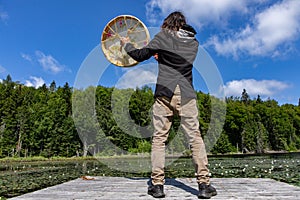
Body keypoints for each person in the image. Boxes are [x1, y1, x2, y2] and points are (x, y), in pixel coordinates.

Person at [120, 11, 217, 199]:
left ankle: (157, 185)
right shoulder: (194, 43)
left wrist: (127, 45)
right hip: (187, 94)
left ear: (168, 23)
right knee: (195, 138)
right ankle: (204, 185)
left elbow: (139, 55)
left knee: (159, 139)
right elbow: (178, 60)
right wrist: (162, 56)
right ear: (183, 24)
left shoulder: (163, 37)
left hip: (164, 93)